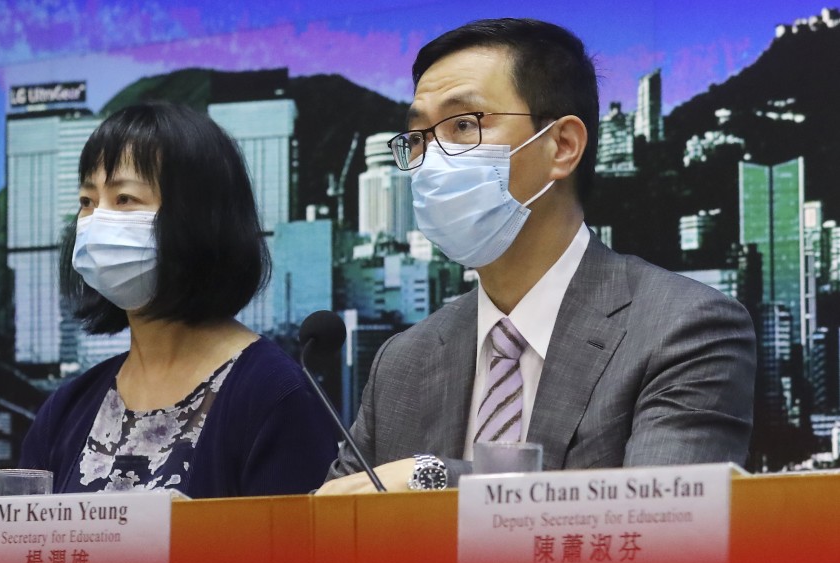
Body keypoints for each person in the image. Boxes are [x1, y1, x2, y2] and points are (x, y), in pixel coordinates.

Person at [318, 18, 756, 494]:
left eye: (463, 125)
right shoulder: (402, 362)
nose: (431, 161)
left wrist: (439, 478)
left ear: (562, 146)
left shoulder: (684, 328)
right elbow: (332, 532)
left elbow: (661, 526)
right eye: (419, 138)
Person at [20, 101, 338, 498]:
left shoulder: (274, 395)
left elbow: (296, 553)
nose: (97, 220)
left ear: (199, 218)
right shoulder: (67, 409)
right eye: (88, 202)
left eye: (124, 199)